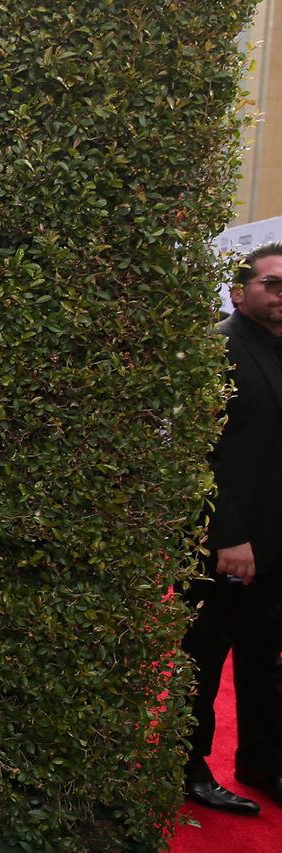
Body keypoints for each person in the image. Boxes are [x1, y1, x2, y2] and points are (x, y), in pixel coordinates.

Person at [181, 242, 282, 815]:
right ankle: (189, 771)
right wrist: (227, 535)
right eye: (273, 283)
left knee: (264, 660)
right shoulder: (217, 349)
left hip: (274, 548)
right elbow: (197, 453)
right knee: (203, 660)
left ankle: (264, 764)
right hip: (224, 549)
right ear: (240, 290)